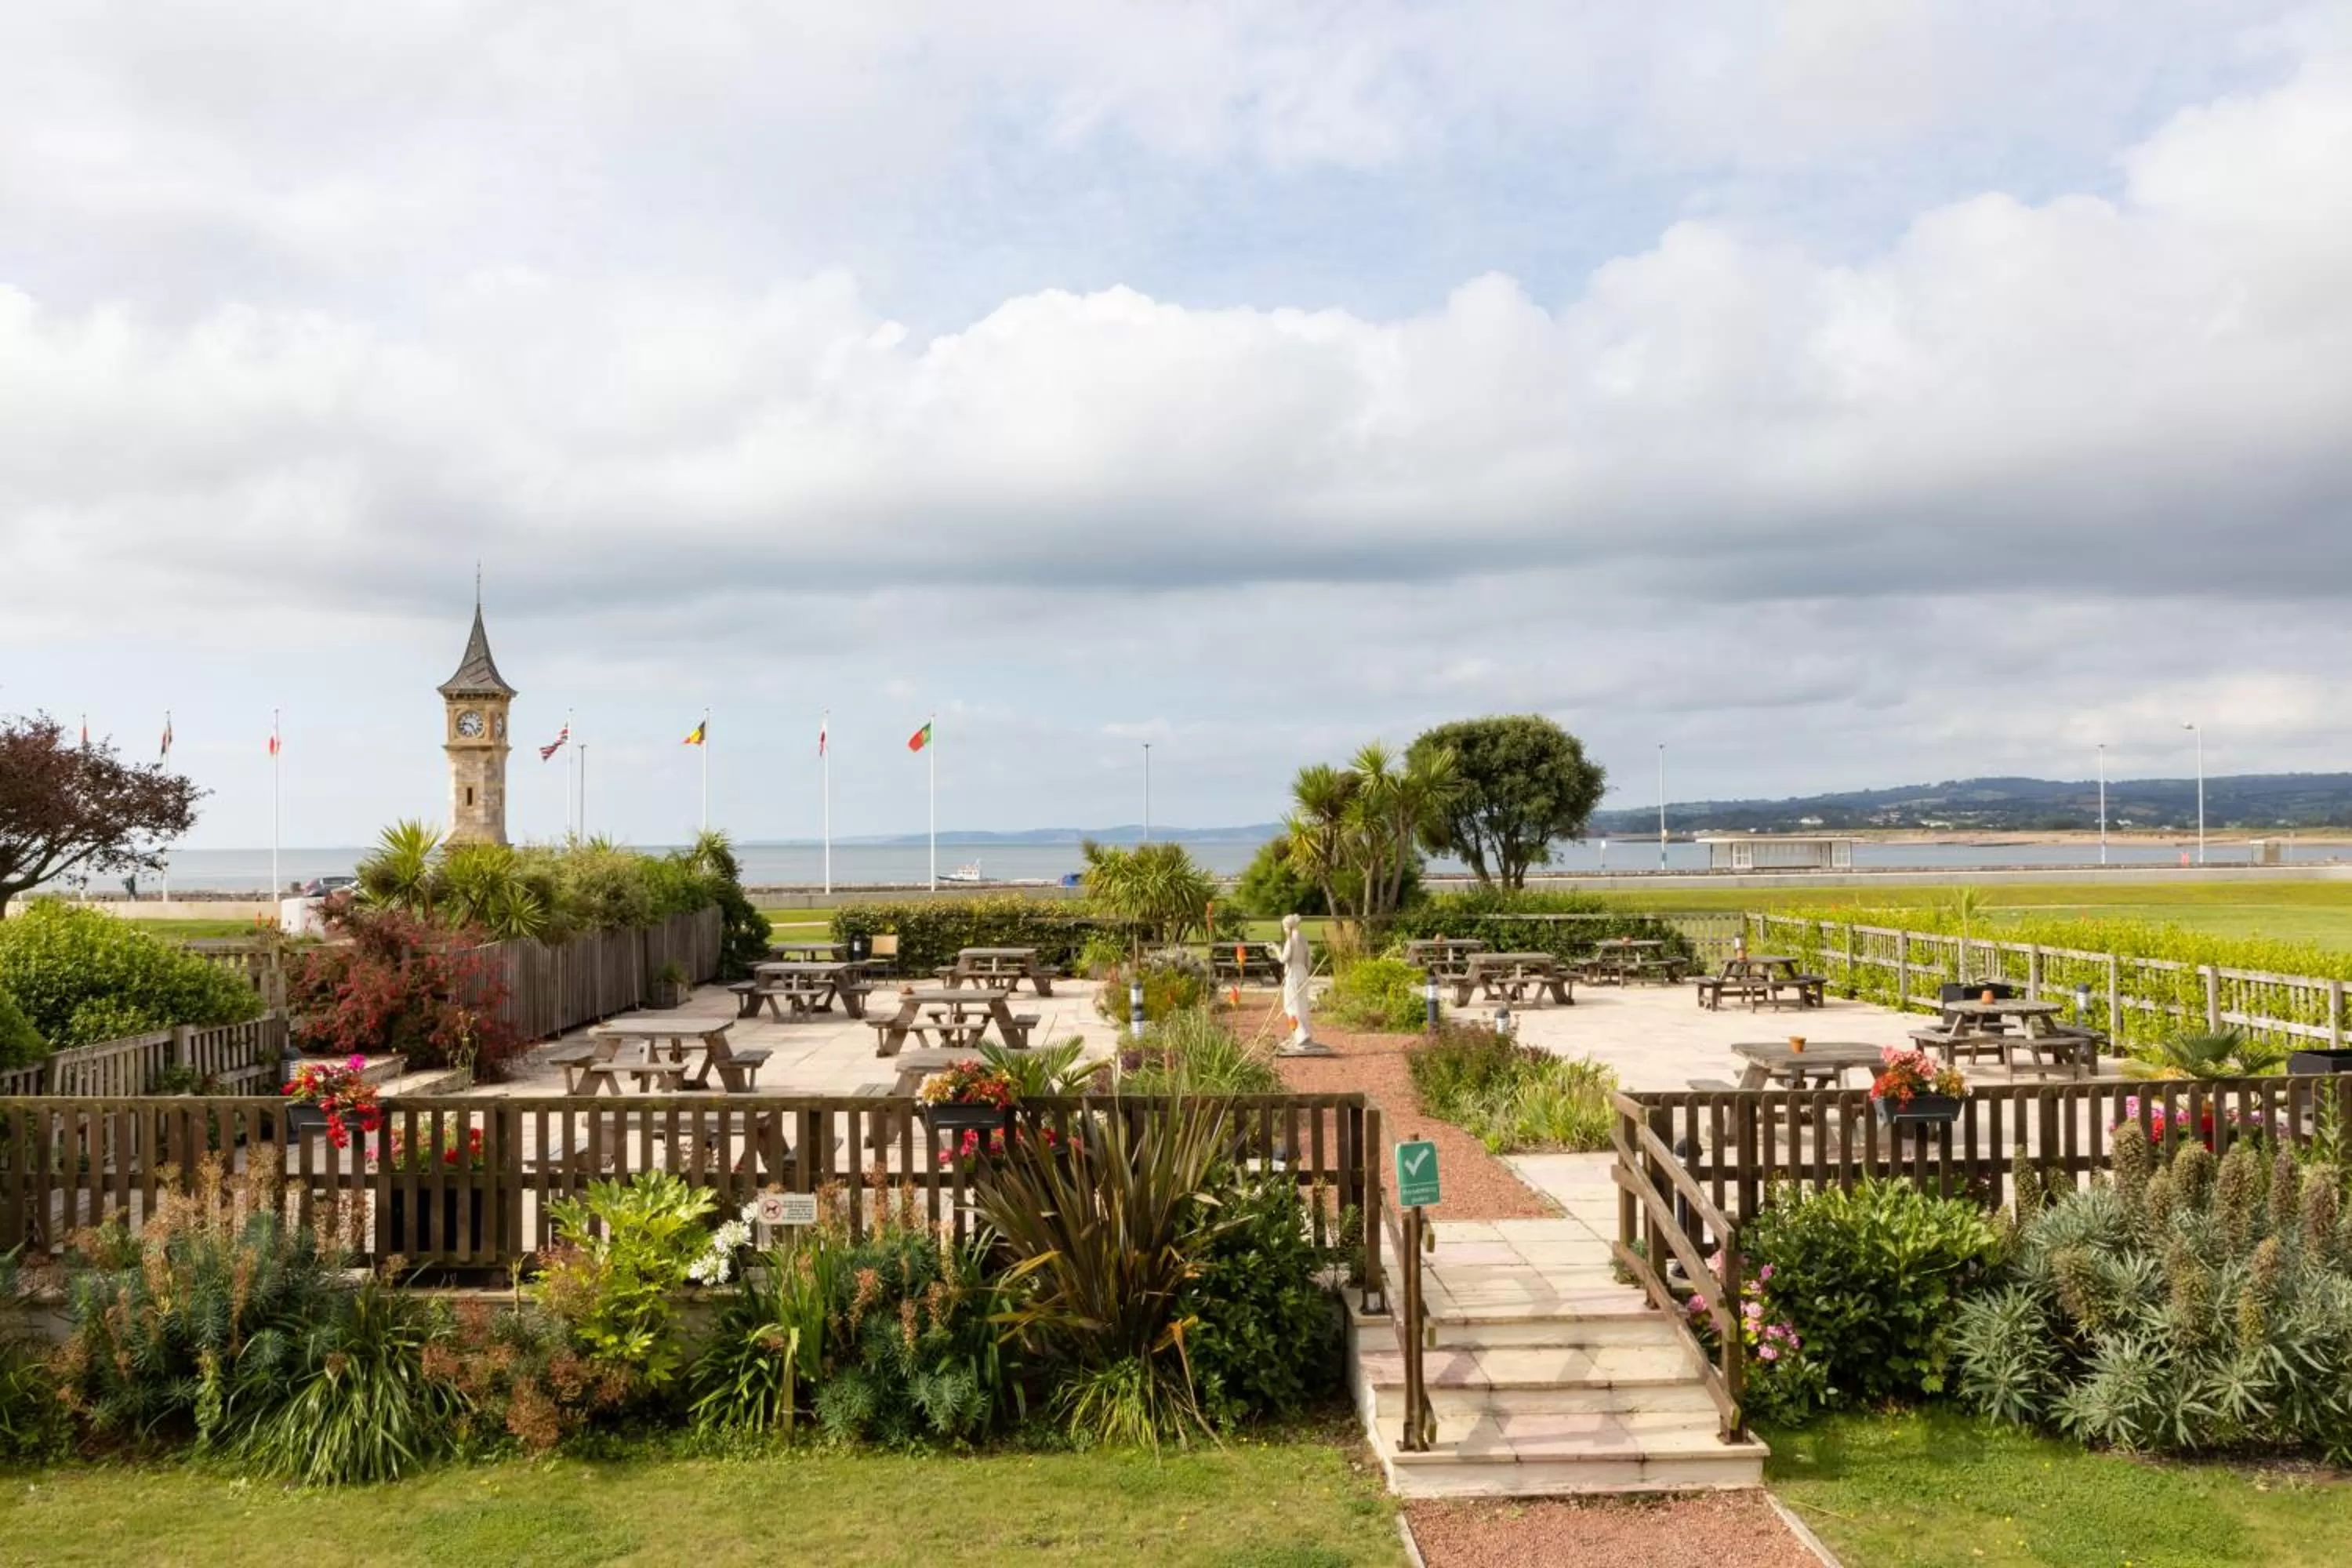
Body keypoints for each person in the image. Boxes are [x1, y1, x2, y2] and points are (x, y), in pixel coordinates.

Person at [1275, 913, 1324, 1054]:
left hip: (1293, 974)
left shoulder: (1291, 940)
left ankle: (1300, 1036)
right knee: (1301, 1005)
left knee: (1291, 1005)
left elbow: (1284, 959)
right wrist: (1306, 973)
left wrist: (1275, 949)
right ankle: (1298, 1035)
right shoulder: (1303, 938)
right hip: (1302, 972)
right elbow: (1309, 960)